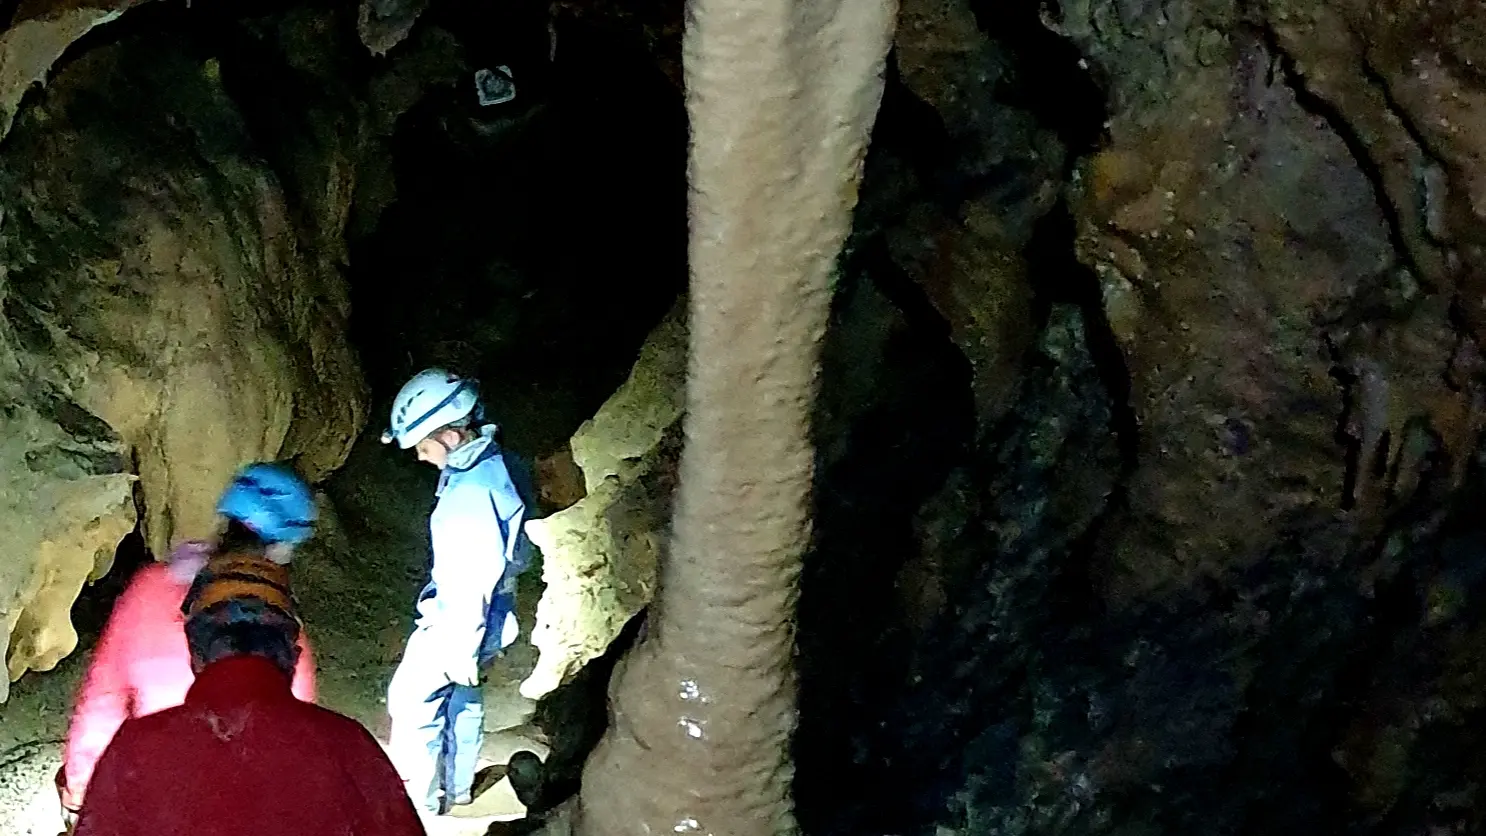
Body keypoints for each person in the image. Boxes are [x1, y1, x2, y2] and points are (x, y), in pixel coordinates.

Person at [71, 522, 426, 836]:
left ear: (195, 653)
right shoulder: (349, 747)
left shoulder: (134, 751)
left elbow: (102, 698)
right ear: (293, 653)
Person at [57, 462, 320, 827]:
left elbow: (103, 698)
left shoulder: (151, 589)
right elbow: (294, 738)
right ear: (283, 547)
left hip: (149, 789)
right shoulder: (284, 631)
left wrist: (80, 791)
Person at [380, 368, 534, 814]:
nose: (422, 458)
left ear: (449, 434)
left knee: (411, 702)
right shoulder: (495, 465)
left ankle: (418, 808)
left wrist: (460, 648)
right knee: (464, 697)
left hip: (459, 622)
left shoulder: (470, 498)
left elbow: (470, 579)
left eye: (424, 447)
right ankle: (459, 787)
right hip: (495, 615)